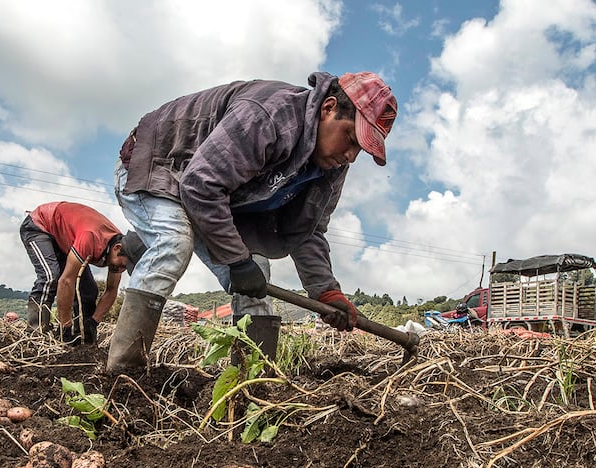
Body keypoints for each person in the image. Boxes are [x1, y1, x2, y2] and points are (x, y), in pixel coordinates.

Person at [107, 71, 397, 371]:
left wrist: (326, 291)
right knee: (174, 242)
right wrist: (235, 260)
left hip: (217, 193)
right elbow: (200, 185)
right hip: (161, 164)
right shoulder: (270, 117)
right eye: (350, 138)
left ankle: (250, 382)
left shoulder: (332, 166)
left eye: (359, 150)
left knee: (257, 271)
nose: (350, 155)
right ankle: (123, 374)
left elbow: (307, 230)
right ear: (329, 108)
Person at [19, 201, 130, 344]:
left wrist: (94, 321)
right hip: (40, 226)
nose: (121, 270)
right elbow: (66, 281)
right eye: (122, 265)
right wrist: (65, 325)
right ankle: (36, 334)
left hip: (66, 241)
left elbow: (111, 290)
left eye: (125, 268)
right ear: (117, 248)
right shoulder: (90, 237)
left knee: (88, 291)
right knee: (50, 277)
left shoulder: (120, 251)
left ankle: (81, 337)